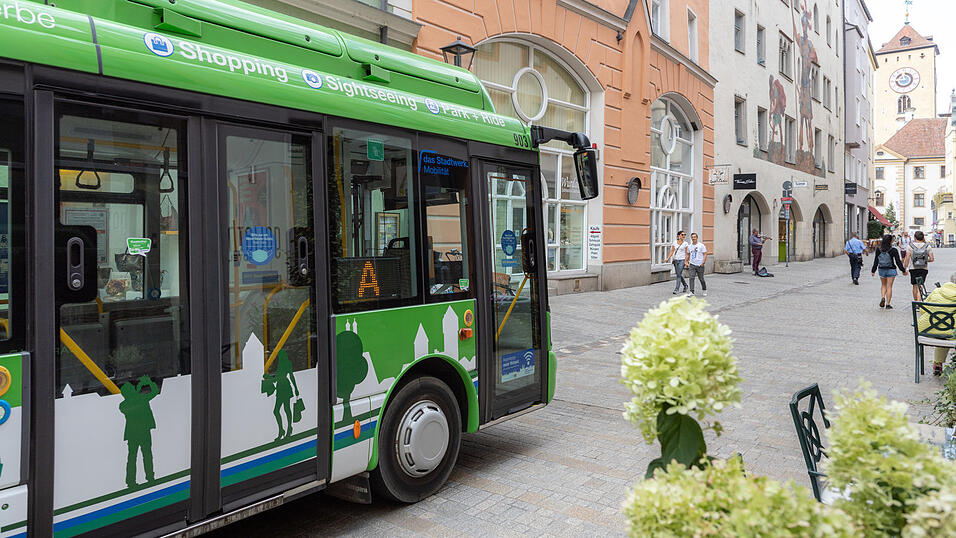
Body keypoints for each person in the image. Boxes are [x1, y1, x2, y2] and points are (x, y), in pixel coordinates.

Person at [119, 375, 160, 489]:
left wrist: (139, 389)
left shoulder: (123, 405)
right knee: (147, 455)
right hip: (143, 431)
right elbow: (155, 391)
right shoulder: (140, 399)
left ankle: (131, 482)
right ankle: (150, 478)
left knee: (132, 458)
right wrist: (148, 382)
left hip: (132, 434)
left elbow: (135, 399)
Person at [918, 272, 956, 376]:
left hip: (927, 331)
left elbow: (922, 310)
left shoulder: (936, 292)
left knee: (943, 331)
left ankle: (937, 364)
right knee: (948, 331)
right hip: (950, 334)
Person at [871, 233, 907, 309]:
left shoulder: (878, 249)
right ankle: (888, 303)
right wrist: (903, 270)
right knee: (889, 286)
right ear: (890, 241)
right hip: (891, 269)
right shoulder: (893, 250)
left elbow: (876, 261)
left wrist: (873, 270)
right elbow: (898, 262)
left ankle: (883, 297)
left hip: (881, 269)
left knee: (883, 285)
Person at [902, 230, 934, 301]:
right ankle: (919, 302)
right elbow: (932, 259)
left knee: (915, 286)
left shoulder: (910, 246)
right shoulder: (927, 246)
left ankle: (916, 302)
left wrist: (904, 268)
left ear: (915, 237)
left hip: (913, 268)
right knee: (921, 285)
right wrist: (924, 260)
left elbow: (907, 258)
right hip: (924, 268)